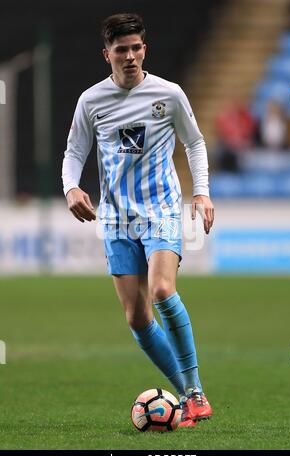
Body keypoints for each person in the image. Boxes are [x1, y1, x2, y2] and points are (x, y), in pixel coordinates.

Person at [62, 13, 214, 428]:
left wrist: (200, 191)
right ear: (106, 54)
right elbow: (74, 152)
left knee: (163, 291)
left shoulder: (169, 94)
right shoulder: (90, 101)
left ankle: (195, 390)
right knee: (136, 316)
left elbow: (194, 141)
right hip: (115, 219)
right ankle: (184, 396)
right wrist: (71, 188)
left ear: (144, 49)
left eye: (136, 48)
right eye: (121, 50)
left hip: (161, 210)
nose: (130, 56)